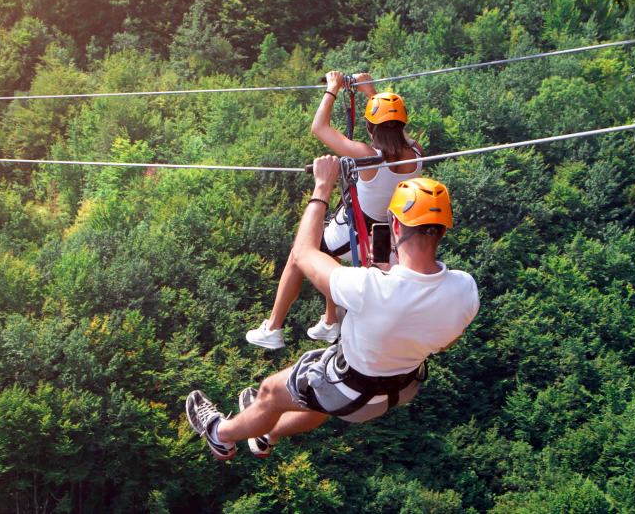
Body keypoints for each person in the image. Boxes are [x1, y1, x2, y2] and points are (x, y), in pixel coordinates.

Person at [186, 156, 479, 460]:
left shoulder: (370, 287)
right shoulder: (465, 290)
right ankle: (267, 434)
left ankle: (220, 435)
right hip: (399, 389)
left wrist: (322, 187)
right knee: (317, 399)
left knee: (270, 393)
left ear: (394, 223)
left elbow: (303, 253)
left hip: (349, 389)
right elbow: (446, 341)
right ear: (443, 230)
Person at [246, 70, 424, 349]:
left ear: (370, 127)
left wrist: (332, 88)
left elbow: (319, 128)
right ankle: (331, 321)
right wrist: (370, 92)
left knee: (299, 253)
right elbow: (393, 127)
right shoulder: (417, 153)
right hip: (386, 232)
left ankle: (273, 327)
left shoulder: (367, 156)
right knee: (331, 253)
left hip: (359, 227)